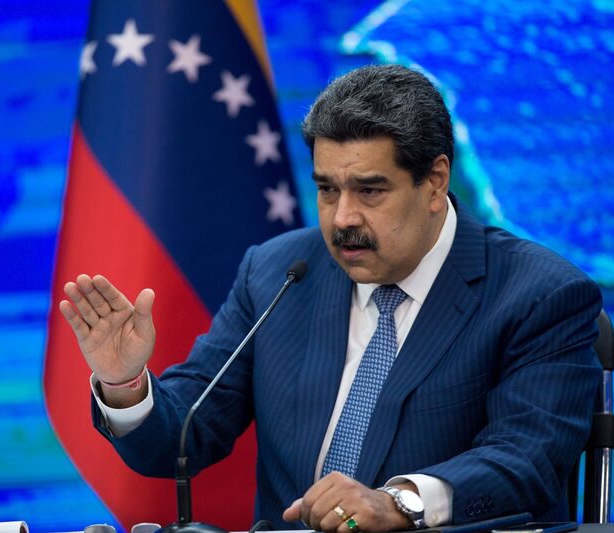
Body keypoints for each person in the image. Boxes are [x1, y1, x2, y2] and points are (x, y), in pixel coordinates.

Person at [59, 64, 602, 532]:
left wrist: (398, 504)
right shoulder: (277, 273)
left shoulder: (538, 294)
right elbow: (185, 435)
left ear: (435, 182)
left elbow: (527, 458)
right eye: (326, 189)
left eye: (369, 190)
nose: (342, 219)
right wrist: (125, 384)